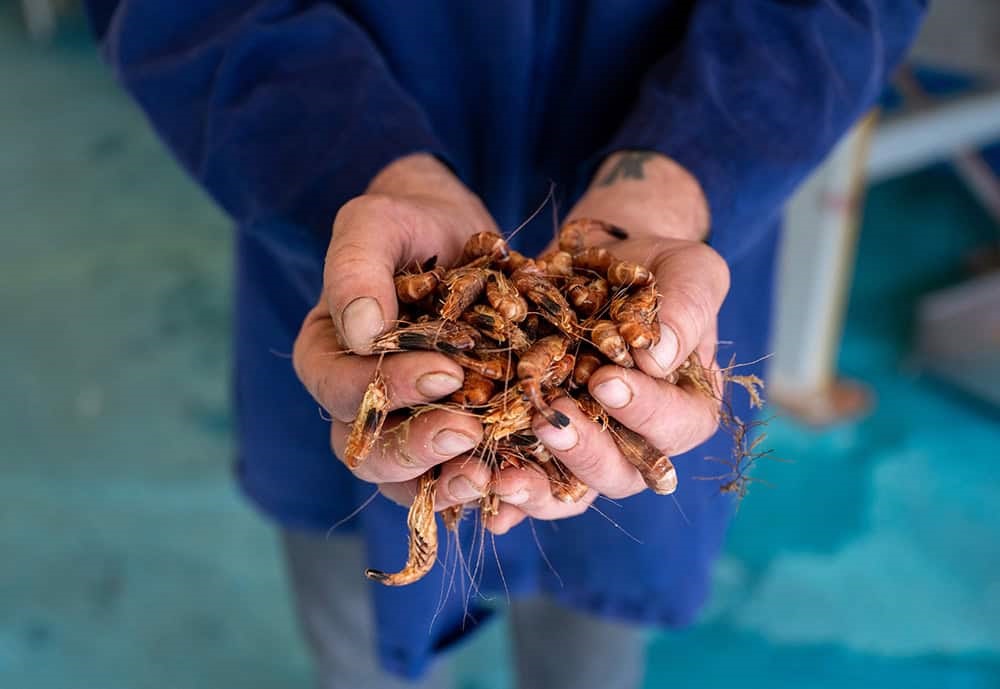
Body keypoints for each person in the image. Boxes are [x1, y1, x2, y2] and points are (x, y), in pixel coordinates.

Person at [82, 2, 926, 687]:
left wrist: (688, 165)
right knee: (363, 612)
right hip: (346, 245)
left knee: (596, 615)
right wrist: (353, 164)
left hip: (675, 252)